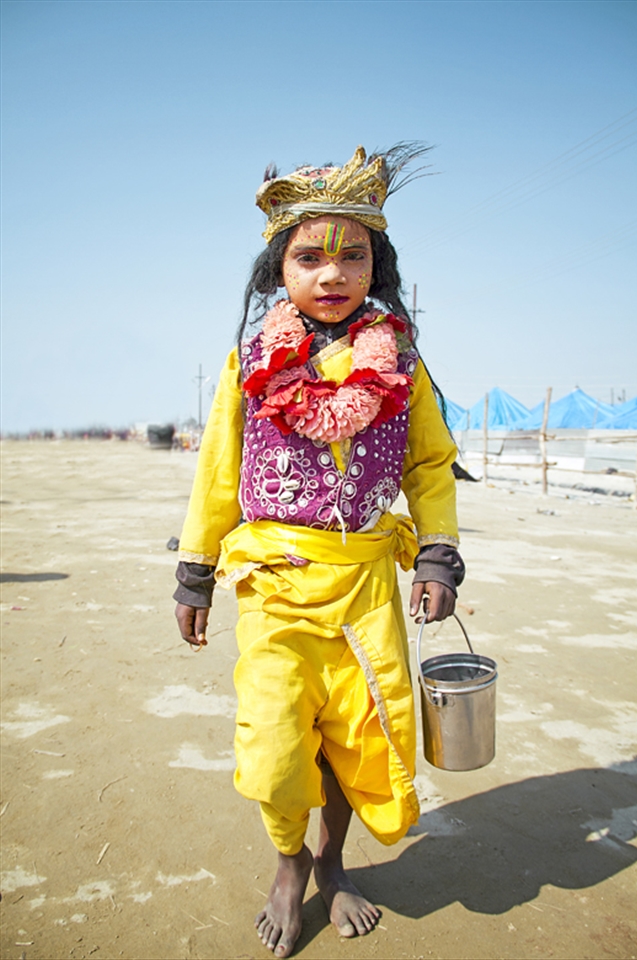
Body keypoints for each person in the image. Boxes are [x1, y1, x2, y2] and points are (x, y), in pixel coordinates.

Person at [174, 144, 465, 959]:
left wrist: (437, 555)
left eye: (353, 255)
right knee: (273, 748)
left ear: (379, 264)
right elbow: (218, 470)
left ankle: (333, 865)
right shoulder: (252, 364)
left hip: (367, 584)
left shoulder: (401, 364)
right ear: (281, 268)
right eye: (310, 256)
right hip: (275, 582)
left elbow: (430, 465)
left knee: (353, 736)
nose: (332, 273)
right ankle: (287, 862)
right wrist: (195, 572)